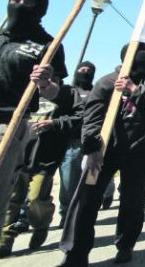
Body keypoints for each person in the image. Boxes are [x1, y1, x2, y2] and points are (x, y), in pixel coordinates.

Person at [58, 42, 145, 266]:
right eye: (137, 53)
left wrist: (134, 90)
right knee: (86, 202)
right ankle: (76, 253)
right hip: (105, 151)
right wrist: (91, 148)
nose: (144, 57)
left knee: (133, 202)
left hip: (140, 151)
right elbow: (92, 116)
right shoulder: (107, 82)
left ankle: (125, 245)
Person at [0, 0, 68, 246]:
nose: (16, 5)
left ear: (38, 9)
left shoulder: (47, 46)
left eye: (24, 2)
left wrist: (44, 83)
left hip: (9, 123)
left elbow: (55, 94)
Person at [58, 62, 96, 227]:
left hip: (87, 141)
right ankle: (66, 212)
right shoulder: (67, 90)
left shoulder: (96, 92)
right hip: (64, 140)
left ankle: (78, 211)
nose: (85, 72)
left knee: (90, 178)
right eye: (82, 69)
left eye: (89, 70)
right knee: (67, 180)